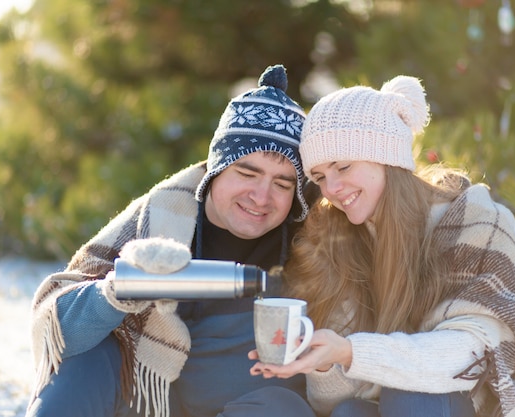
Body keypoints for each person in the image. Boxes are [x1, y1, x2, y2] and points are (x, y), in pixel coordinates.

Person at [249, 75, 515, 417]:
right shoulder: (341, 240)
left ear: (386, 157)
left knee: (412, 396)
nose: (331, 188)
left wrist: (351, 352)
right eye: (319, 177)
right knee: (350, 411)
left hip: (473, 408)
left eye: (343, 166)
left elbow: (465, 355)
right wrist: (323, 362)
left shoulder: (477, 223)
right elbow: (329, 403)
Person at [26, 64, 318, 417]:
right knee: (90, 355)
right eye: (246, 173)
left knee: (282, 407)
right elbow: (62, 332)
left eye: (283, 184)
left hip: (245, 405)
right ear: (215, 169)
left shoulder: (313, 236)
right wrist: (119, 289)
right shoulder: (161, 215)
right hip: (146, 399)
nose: (261, 196)